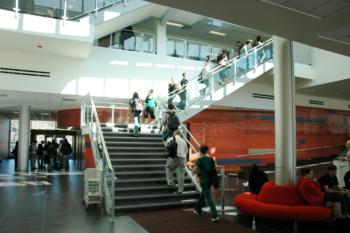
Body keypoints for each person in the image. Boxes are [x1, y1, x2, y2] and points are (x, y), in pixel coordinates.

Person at [193, 145, 220, 222]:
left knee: (208, 198)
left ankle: (215, 215)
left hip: (203, 180)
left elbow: (195, 170)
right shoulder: (211, 159)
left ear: (200, 151)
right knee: (203, 194)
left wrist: (196, 173)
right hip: (210, 180)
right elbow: (213, 169)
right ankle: (198, 209)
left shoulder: (199, 160)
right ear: (206, 151)